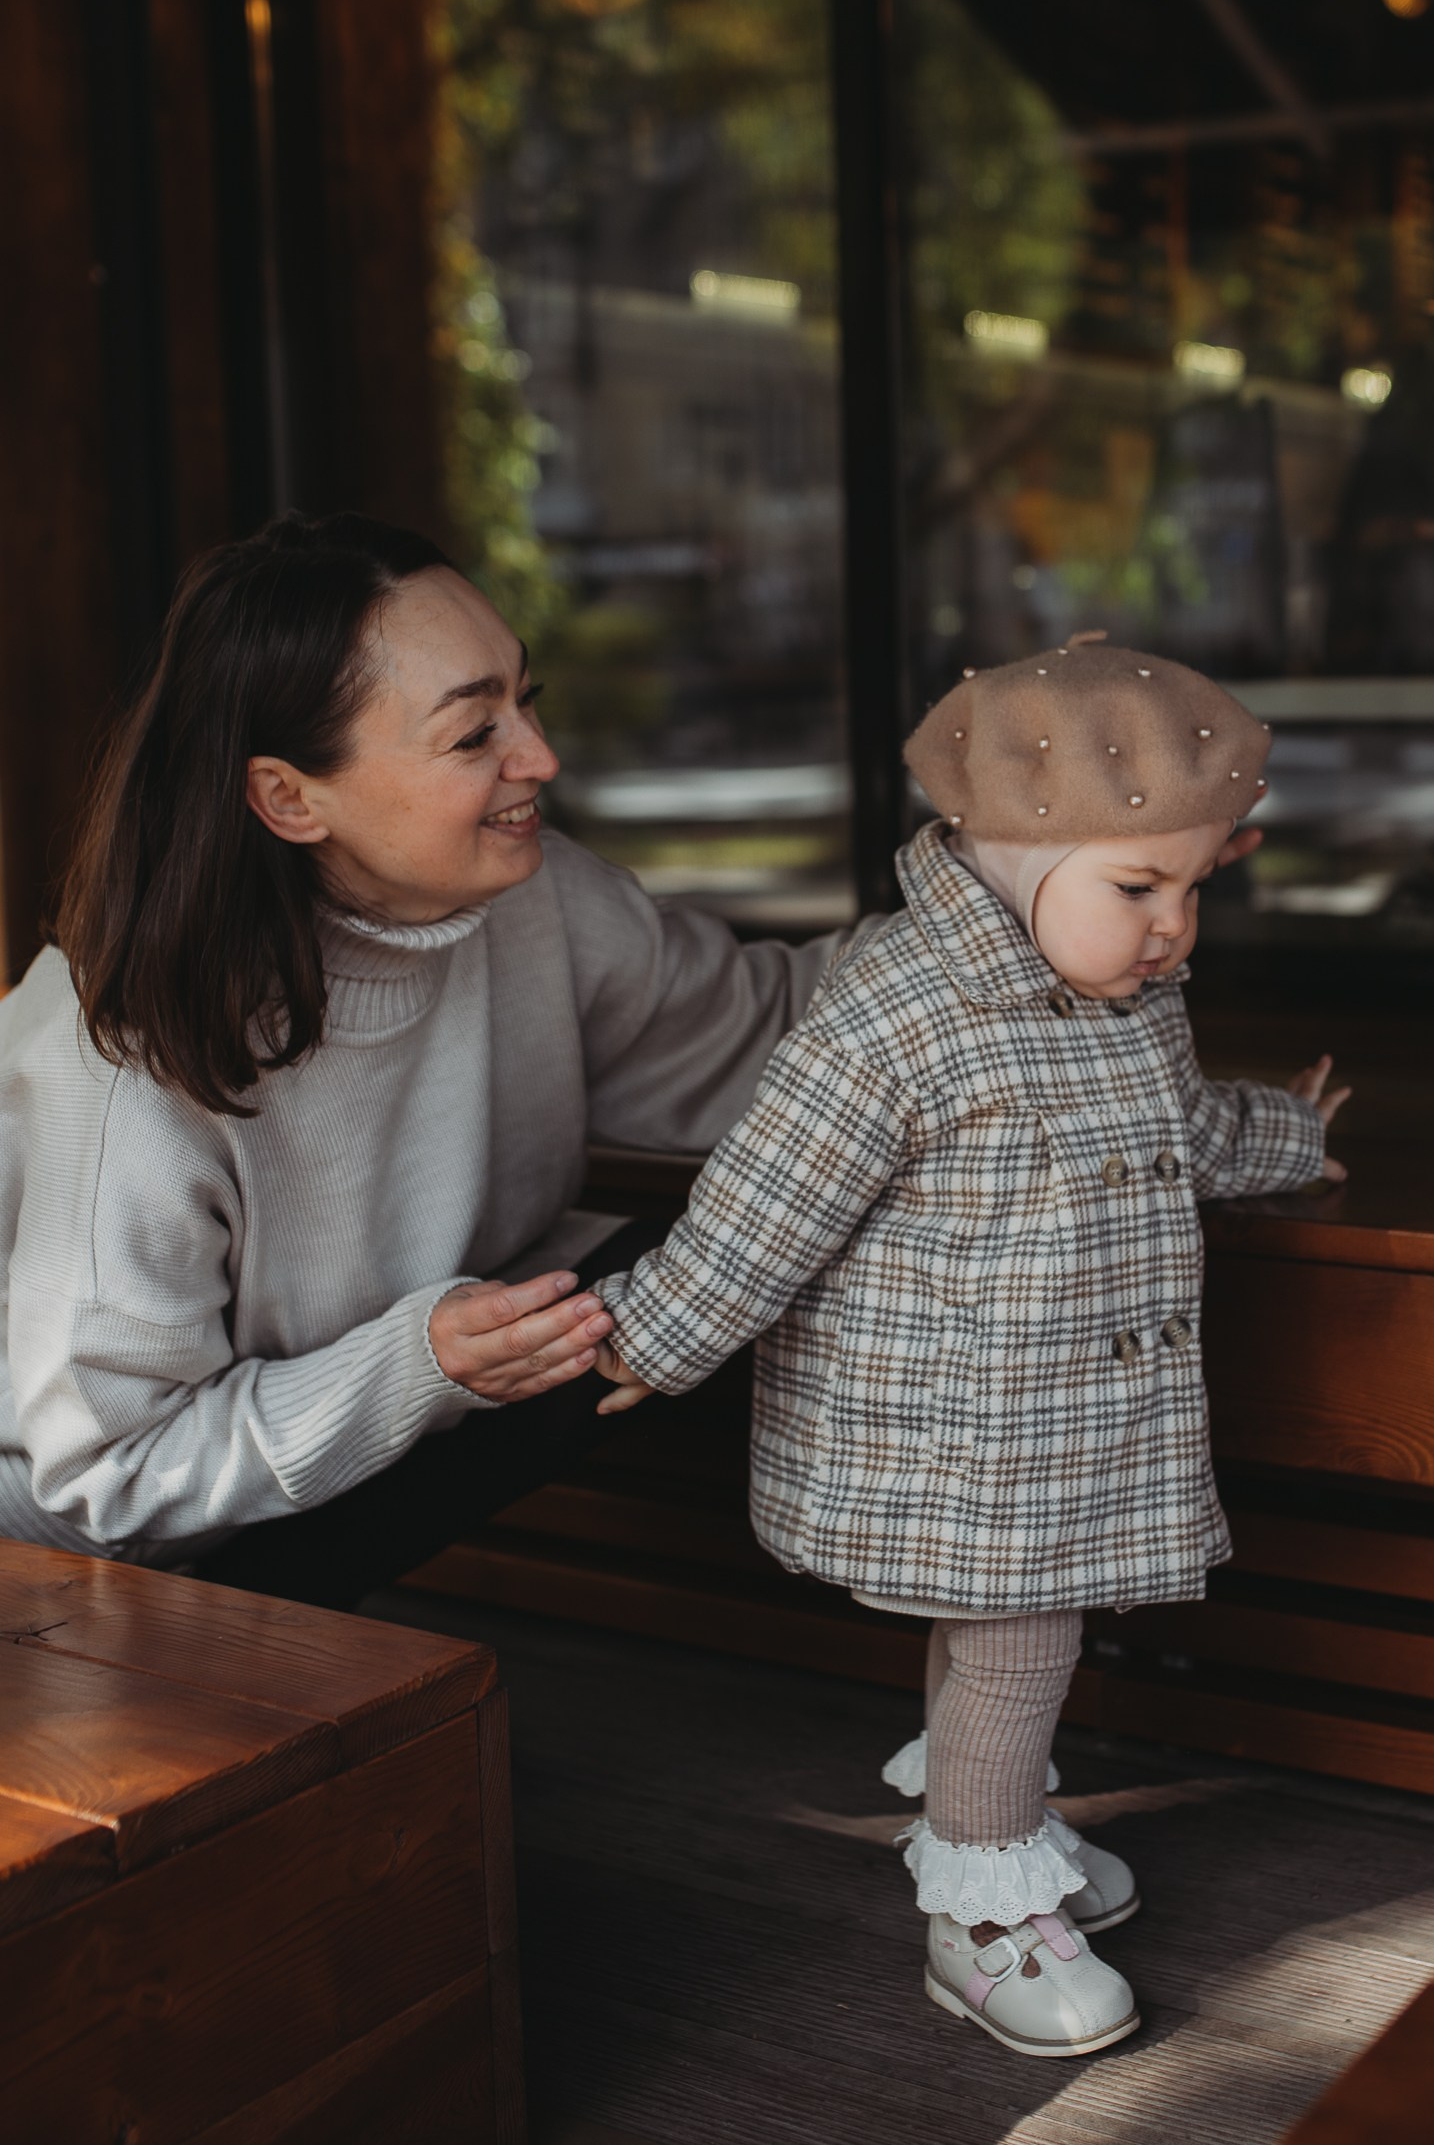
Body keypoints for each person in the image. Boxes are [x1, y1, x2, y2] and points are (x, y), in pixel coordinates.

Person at [588, 635, 1345, 2057]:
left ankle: (994, 1833)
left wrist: (1288, 1135)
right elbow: (768, 1198)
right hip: (957, 1422)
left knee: (1002, 1635)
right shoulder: (899, 1012)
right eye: (1138, 888)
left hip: (1061, 1406)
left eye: (1193, 889)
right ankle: (981, 1915)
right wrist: (654, 1335)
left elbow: (1178, 1134)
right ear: (1009, 848)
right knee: (1017, 1645)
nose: (1173, 929)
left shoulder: (1125, 999)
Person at [0, 512, 858, 1605]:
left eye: (526, 699)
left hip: (329, 1483)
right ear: (288, 798)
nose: (539, 758)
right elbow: (101, 1486)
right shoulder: (128, 1062)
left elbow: (781, 1033)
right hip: (72, 1567)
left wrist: (1014, 899)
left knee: (660, 1268)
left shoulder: (536, 903)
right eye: (471, 735)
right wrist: (413, 1367)